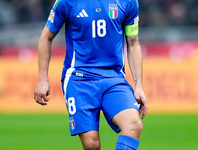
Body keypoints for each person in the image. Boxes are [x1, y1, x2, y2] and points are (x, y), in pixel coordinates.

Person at [34, 0, 148, 149]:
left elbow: (133, 43)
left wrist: (139, 85)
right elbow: (45, 38)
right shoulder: (66, 2)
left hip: (114, 79)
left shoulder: (128, 2)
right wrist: (43, 80)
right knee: (91, 145)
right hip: (79, 79)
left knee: (134, 125)